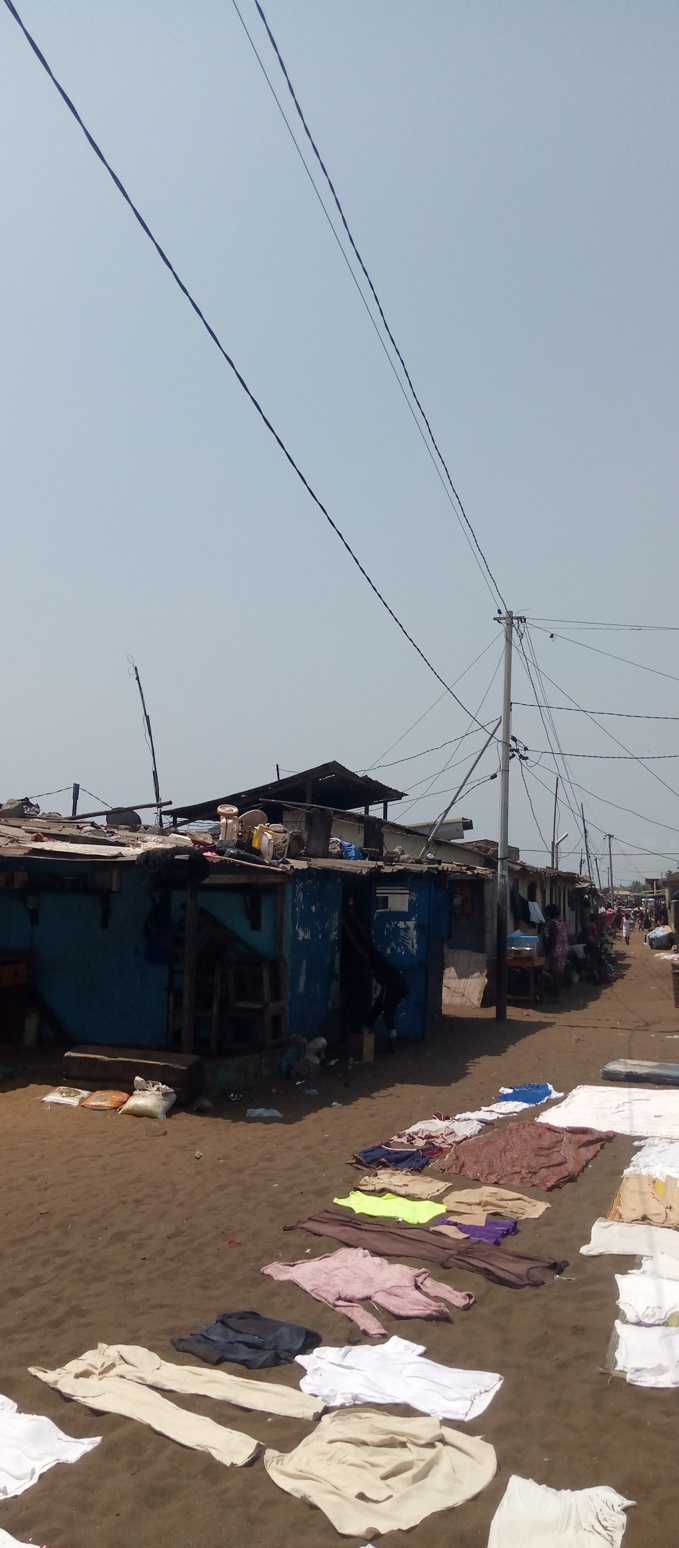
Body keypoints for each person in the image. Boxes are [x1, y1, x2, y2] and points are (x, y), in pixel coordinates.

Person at [343, 905, 410, 1051]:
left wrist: (344, 925)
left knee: (387, 1011)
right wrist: (352, 915)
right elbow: (361, 932)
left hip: (391, 985)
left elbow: (355, 943)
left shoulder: (368, 958)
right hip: (398, 982)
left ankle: (390, 1041)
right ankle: (364, 1030)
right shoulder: (373, 950)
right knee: (379, 1006)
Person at [542, 905, 569, 998]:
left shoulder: (551, 923)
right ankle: (558, 991)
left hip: (556, 950)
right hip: (564, 948)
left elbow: (552, 938)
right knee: (559, 971)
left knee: (555, 972)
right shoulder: (561, 922)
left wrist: (546, 950)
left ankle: (558, 993)